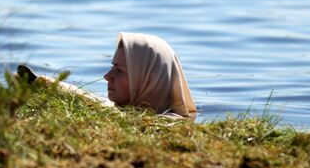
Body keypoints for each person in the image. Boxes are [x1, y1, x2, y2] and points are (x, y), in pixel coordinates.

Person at [17, 32, 196, 118]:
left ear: (148, 78)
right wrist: (43, 84)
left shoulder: (169, 124)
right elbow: (100, 104)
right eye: (112, 67)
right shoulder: (132, 111)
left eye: (119, 70)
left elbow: (112, 115)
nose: (107, 76)